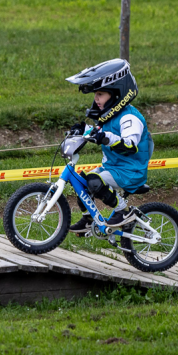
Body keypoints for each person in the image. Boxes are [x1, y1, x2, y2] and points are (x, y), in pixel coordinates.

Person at [64, 58, 153, 235]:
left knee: (94, 181)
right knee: (82, 183)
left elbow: (130, 145)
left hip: (130, 171)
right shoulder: (109, 117)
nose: (96, 99)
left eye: (100, 95)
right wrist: (83, 129)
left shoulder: (129, 118)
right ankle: (88, 220)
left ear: (116, 95)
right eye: (95, 95)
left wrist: (106, 138)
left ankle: (123, 211)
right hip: (113, 168)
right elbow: (99, 131)